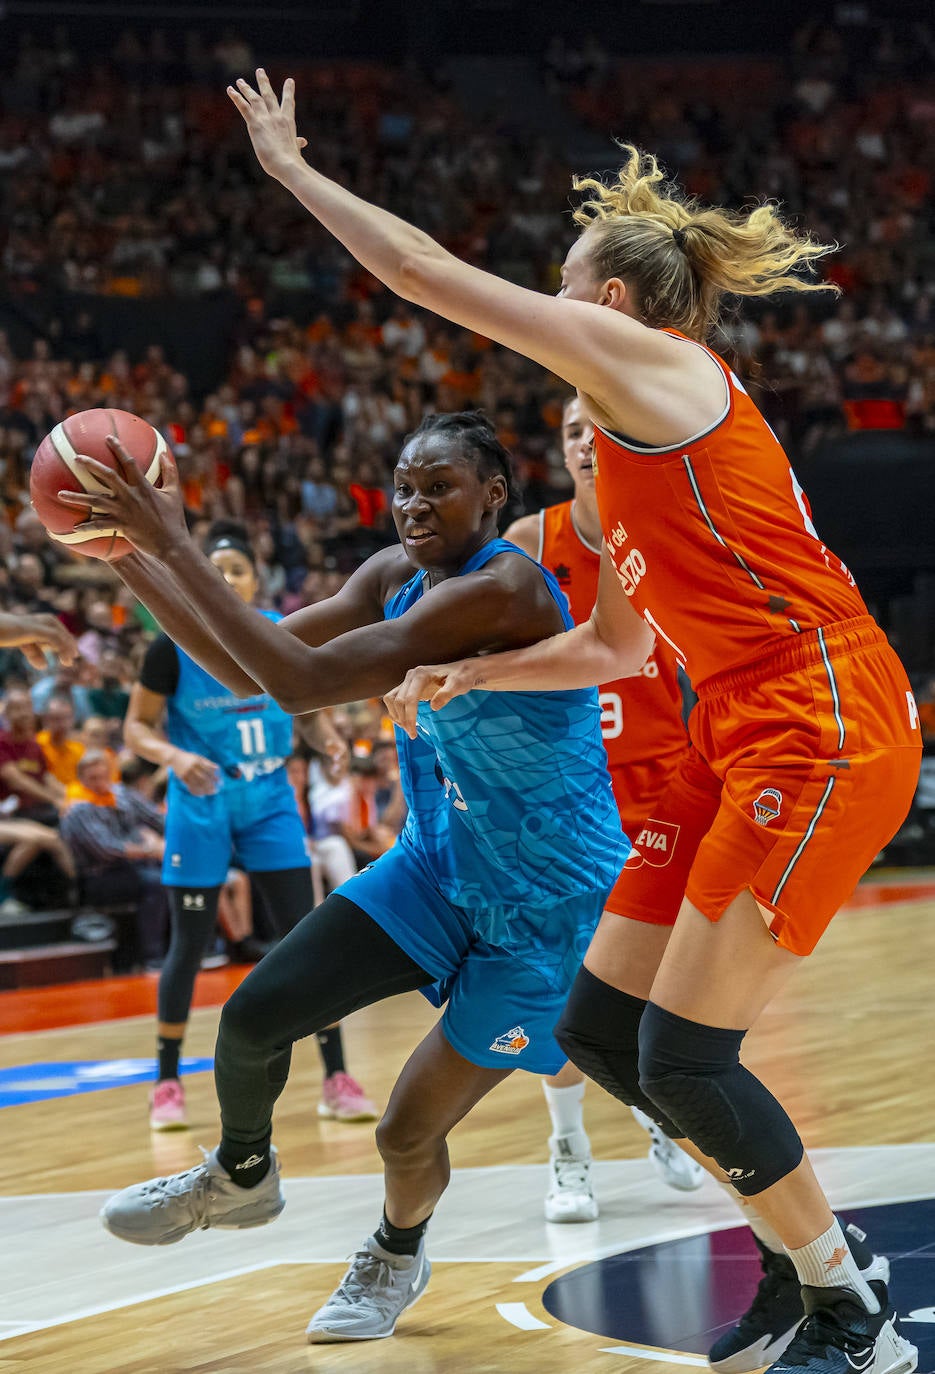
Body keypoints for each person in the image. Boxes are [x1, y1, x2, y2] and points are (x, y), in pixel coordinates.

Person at [214, 73, 919, 1372]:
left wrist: (295, 175)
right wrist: (481, 675)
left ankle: (849, 1313)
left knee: (686, 1051)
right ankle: (785, 1262)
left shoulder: (649, 362)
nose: (538, 298)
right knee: (601, 1032)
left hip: (817, 719)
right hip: (733, 728)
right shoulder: (621, 449)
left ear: (598, 306)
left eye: (555, 280)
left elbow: (422, 269)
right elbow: (616, 647)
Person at [62, 410, 630, 1343]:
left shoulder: (504, 589)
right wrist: (130, 558)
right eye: (403, 485)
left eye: (437, 486)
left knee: (405, 1133)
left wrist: (171, 537)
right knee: (251, 1019)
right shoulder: (394, 575)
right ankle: (242, 1175)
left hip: (546, 906)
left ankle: (395, 1255)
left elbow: (296, 685)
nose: (412, 503)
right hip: (436, 869)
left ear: (492, 496)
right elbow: (235, 669)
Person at [506, 393, 702, 1221]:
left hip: (660, 789)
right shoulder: (527, 545)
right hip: (564, 797)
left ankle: (656, 1108)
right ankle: (567, 1145)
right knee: (564, 985)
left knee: (663, 986)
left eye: (598, 428)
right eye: (571, 433)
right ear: (561, 452)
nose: (587, 443)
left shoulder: (664, 530)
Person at [121, 519, 377, 1131]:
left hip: (268, 797)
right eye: (216, 569)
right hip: (202, 799)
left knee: (307, 939)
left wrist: (327, 738)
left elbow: (308, 706)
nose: (227, 578)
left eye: (237, 569)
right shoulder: (169, 648)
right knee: (188, 947)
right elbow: (136, 728)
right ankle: (166, 1082)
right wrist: (176, 756)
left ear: (256, 579)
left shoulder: (278, 636)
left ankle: (337, 1077)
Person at [59, 749, 167, 971]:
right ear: (82, 779)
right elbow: (106, 850)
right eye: (93, 779)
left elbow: (157, 819)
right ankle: (152, 956)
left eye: (103, 776)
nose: (100, 783)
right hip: (101, 876)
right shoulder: (78, 808)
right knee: (156, 883)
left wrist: (175, 837)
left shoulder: (123, 795)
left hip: (133, 867)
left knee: (175, 874)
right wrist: (149, 849)